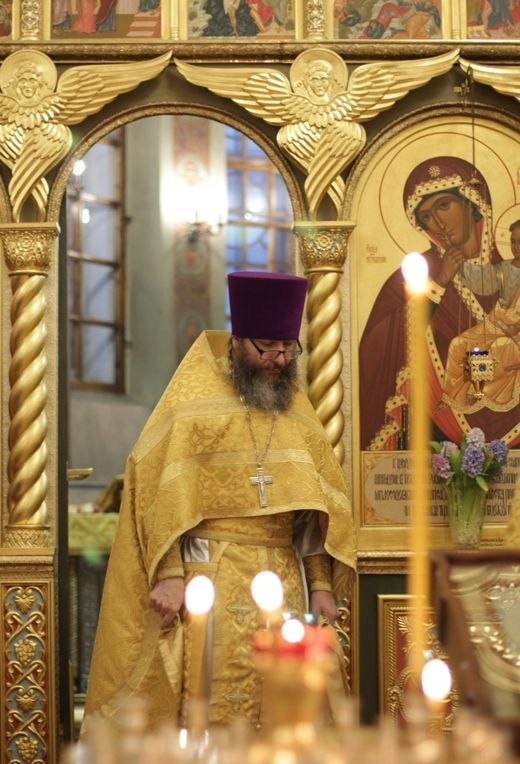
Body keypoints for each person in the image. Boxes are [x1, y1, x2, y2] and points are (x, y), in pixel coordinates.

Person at [83, 270, 357, 731]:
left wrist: (322, 584)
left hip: (284, 579)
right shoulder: (192, 402)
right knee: (211, 705)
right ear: (237, 342)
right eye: (266, 347)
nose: (278, 359)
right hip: (210, 578)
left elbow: (313, 512)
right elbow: (156, 491)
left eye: (287, 348)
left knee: (283, 709)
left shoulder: (296, 411)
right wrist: (169, 575)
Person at [359, 156, 520, 451]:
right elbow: (377, 347)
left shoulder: (511, 269)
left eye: (444, 205)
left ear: (473, 203)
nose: (438, 223)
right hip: (437, 432)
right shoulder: (415, 274)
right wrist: (439, 284)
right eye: (426, 217)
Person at [442, 219, 520, 410]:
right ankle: (453, 397)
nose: (516, 247)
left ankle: (477, 391)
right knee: (458, 344)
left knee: (498, 347)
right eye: (513, 242)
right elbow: (480, 280)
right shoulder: (505, 269)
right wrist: (453, 251)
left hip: (516, 337)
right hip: (495, 326)